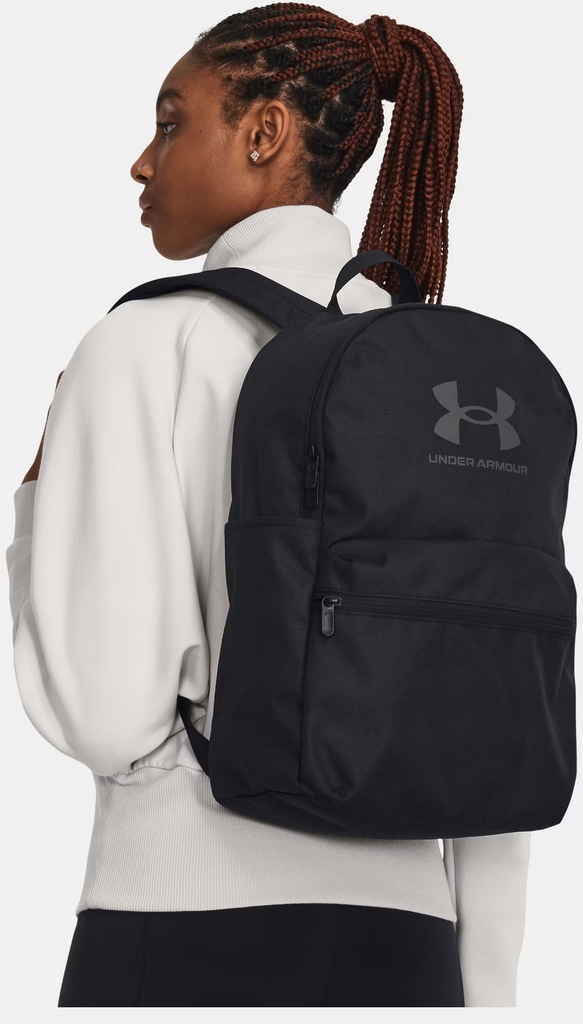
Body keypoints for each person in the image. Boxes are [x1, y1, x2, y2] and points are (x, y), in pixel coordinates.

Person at [6, 3, 531, 1008]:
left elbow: (104, 715)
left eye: (170, 123)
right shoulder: (437, 370)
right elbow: (490, 701)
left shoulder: (142, 343)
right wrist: (485, 987)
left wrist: (36, 509)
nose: (142, 162)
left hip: (183, 931)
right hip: (411, 948)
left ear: (265, 133)